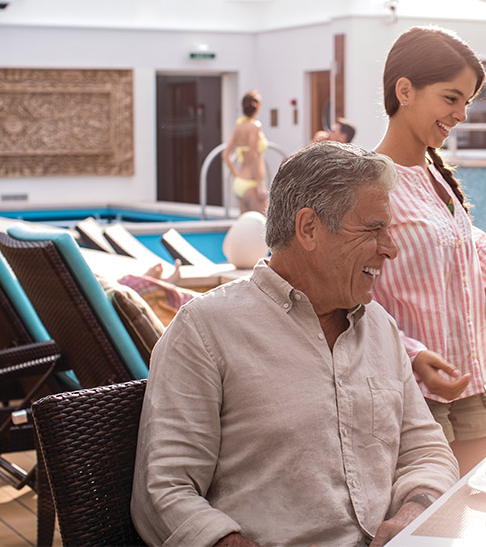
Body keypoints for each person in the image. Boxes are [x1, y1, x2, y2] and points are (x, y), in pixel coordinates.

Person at [131, 142, 457, 547]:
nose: (390, 248)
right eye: (374, 229)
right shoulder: (204, 330)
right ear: (309, 229)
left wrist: (413, 514)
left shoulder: (380, 328)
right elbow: (163, 491)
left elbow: (427, 451)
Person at [372, 26, 486, 476]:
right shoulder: (369, 183)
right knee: (430, 521)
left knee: (471, 514)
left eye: (467, 103)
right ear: (405, 91)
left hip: (467, 386)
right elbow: (352, 301)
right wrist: (414, 353)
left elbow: (479, 257)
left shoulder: (438, 180)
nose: (461, 115)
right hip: (412, 389)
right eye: (451, 98)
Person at [222, 90, 269, 214]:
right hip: (252, 183)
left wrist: (237, 176)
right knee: (266, 223)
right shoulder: (254, 126)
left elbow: (226, 155)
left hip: (240, 182)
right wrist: (260, 185)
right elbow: (254, 155)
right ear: (257, 106)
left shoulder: (239, 127)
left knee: (247, 227)